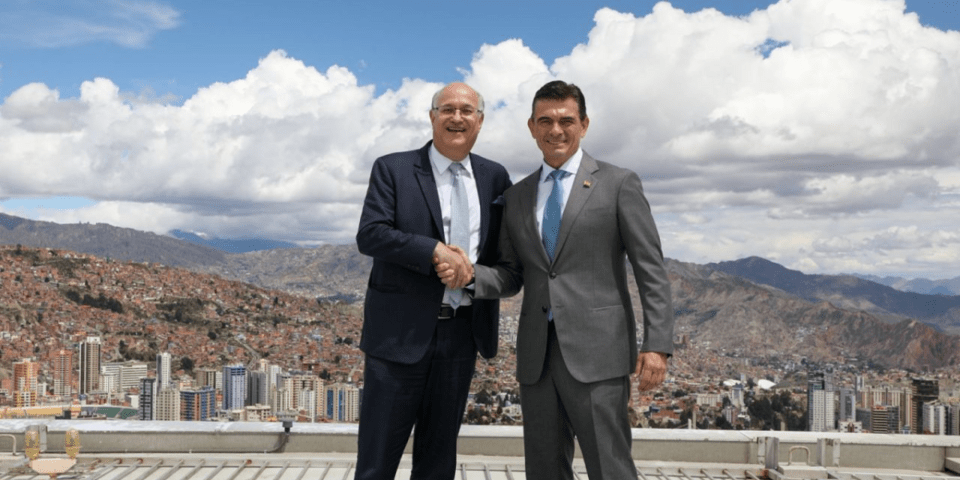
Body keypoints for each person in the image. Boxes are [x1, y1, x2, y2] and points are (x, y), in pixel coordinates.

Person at [439, 80, 674, 479]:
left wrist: (658, 345)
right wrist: (470, 276)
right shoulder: (516, 196)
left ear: (584, 124)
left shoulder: (618, 184)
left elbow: (650, 269)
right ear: (531, 127)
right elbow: (513, 275)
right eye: (545, 120)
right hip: (537, 357)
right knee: (545, 469)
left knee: (611, 467)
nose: (555, 130)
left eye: (566, 120)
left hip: (599, 354)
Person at [354, 82, 511, 480]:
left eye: (466, 110)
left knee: (438, 460)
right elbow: (370, 234)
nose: (456, 117)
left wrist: (472, 274)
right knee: (376, 461)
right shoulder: (393, 168)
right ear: (432, 117)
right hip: (398, 337)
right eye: (447, 109)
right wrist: (434, 251)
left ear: (480, 121)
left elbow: (504, 262)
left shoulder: (495, 178)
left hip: (462, 335)